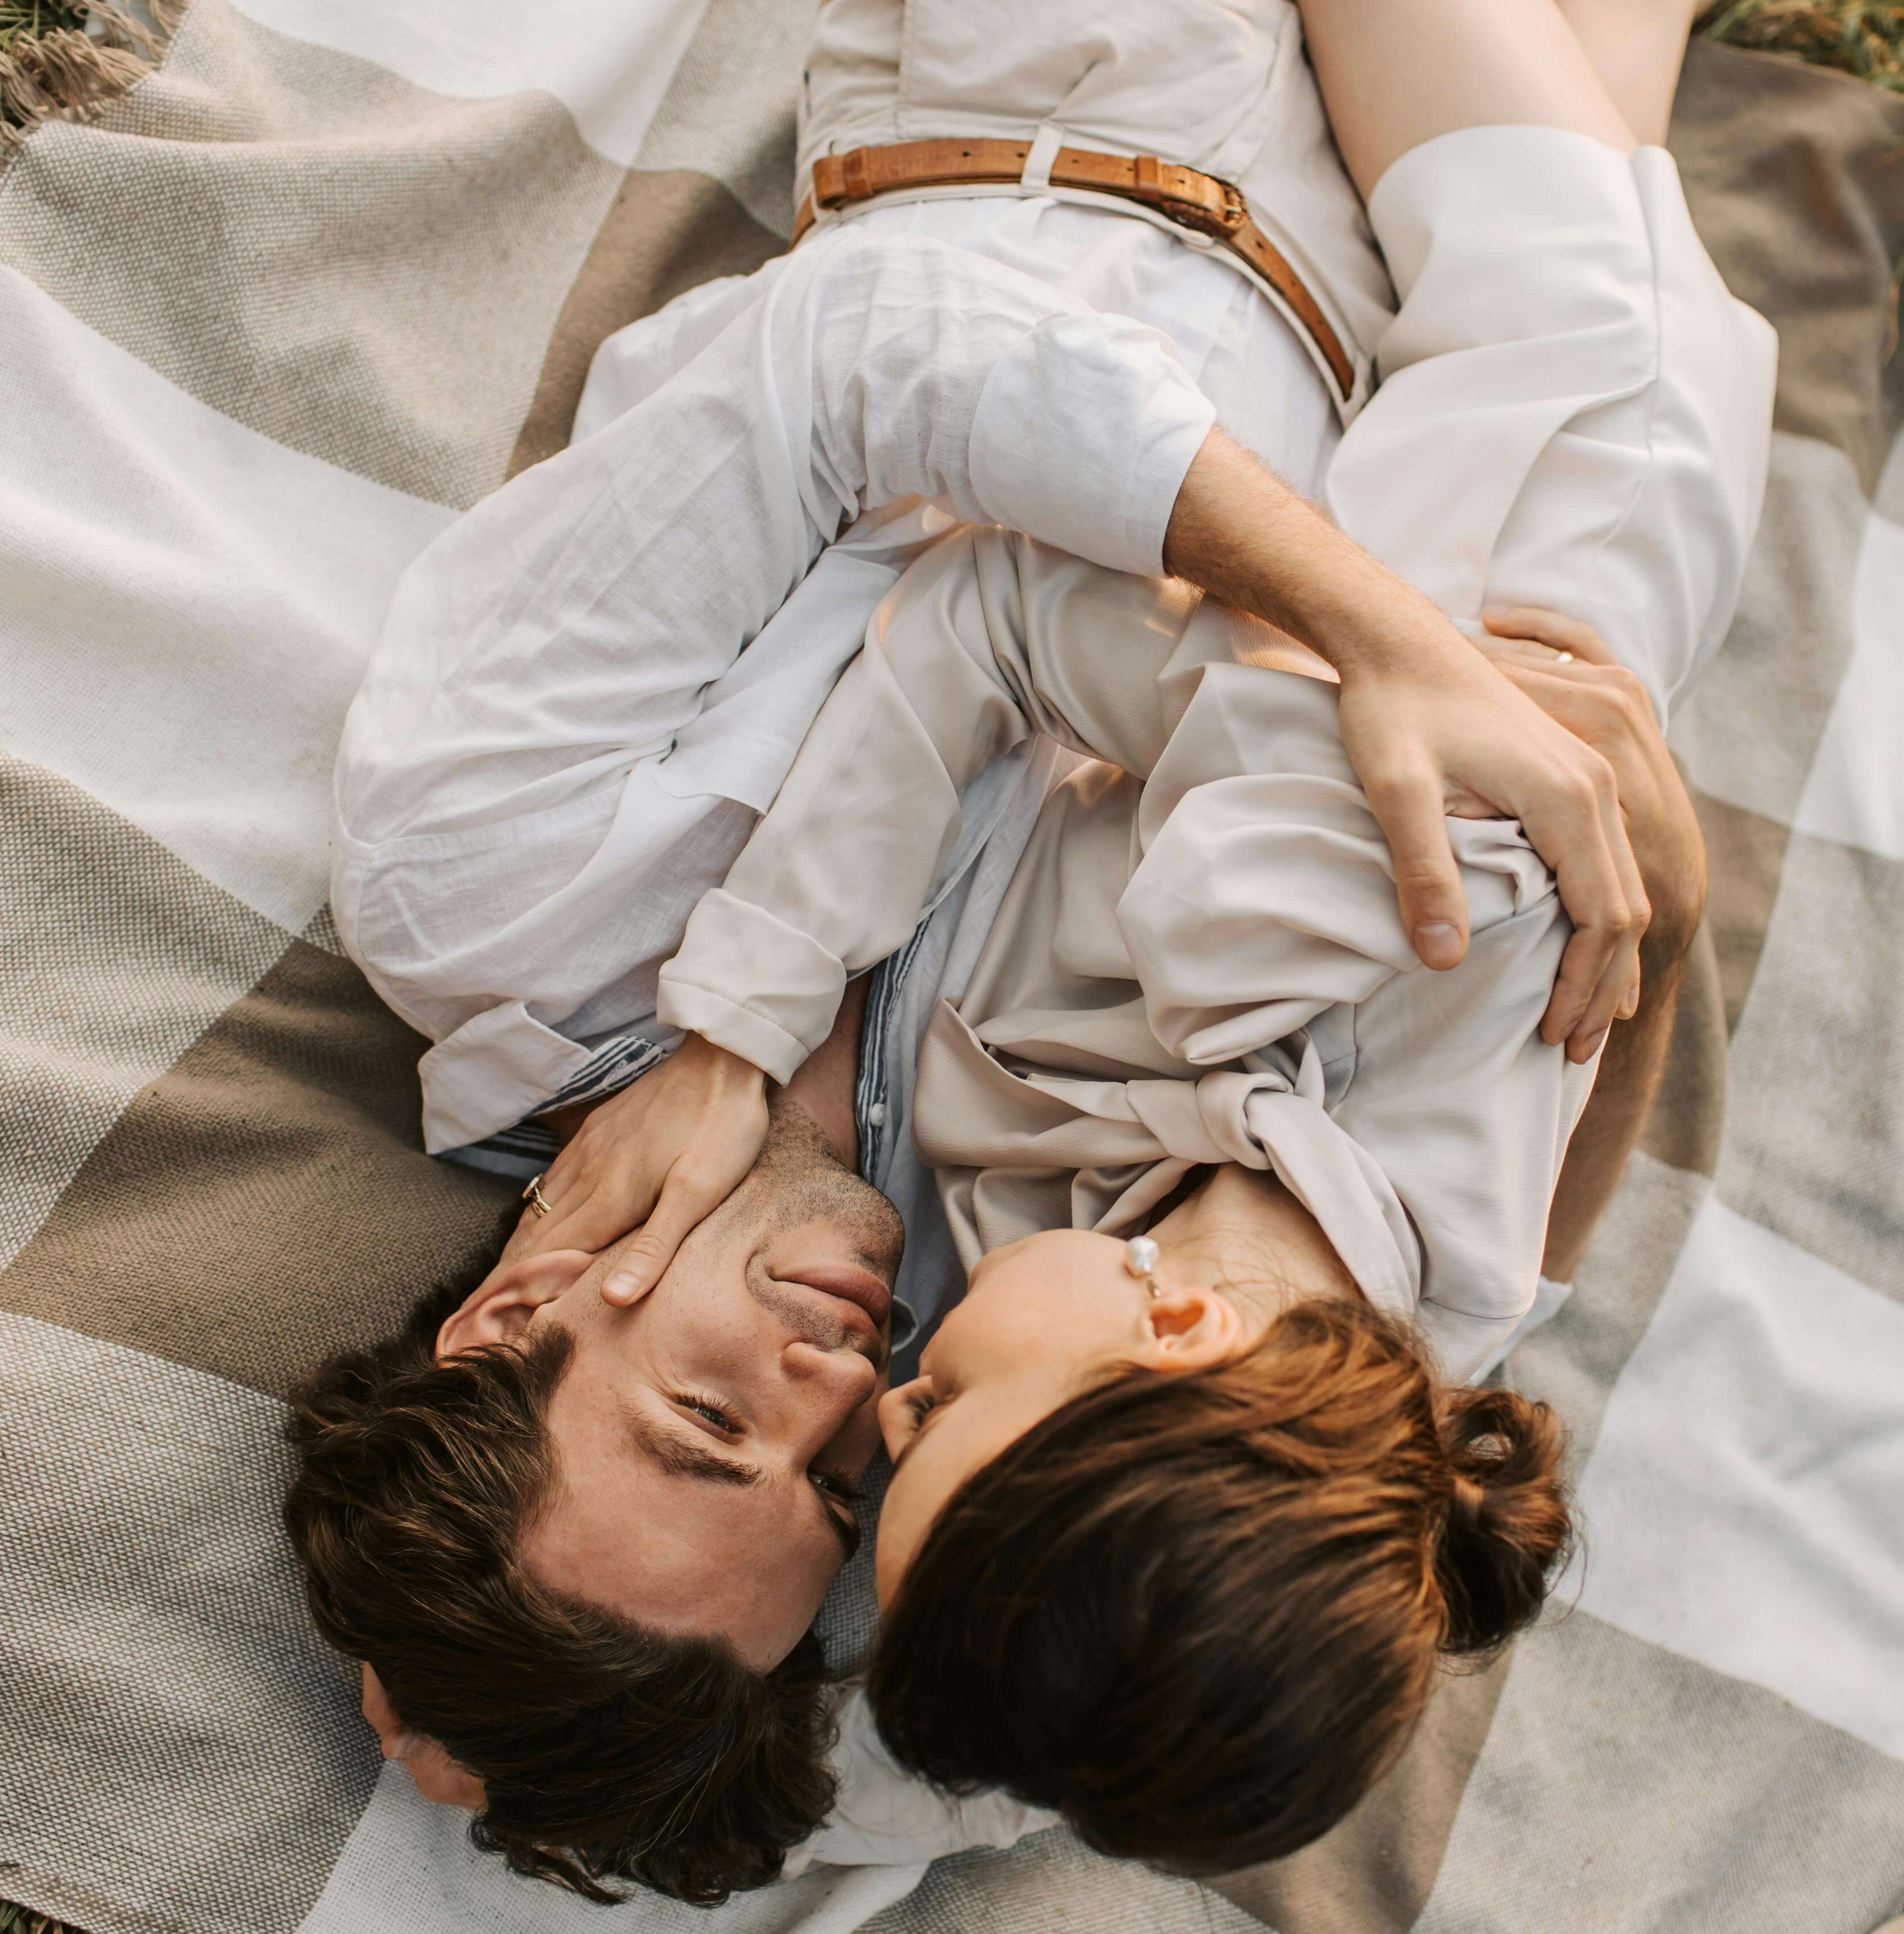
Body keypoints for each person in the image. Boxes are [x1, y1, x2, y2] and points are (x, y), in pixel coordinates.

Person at [290, 0, 1768, 1900]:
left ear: (516, 1316)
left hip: (1088, 93)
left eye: (710, 1421)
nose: (851, 1392)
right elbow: (1056, 1684)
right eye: (839, 1496)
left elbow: (870, 354)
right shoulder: (1050, 1285)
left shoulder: (481, 893)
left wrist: (733, 1037)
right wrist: (561, 1747)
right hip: (1442, 394)